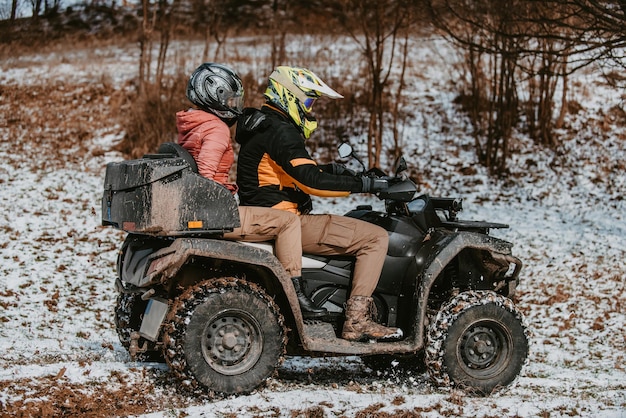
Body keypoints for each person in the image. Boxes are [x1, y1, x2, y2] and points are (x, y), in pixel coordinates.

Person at [235, 66, 402, 342]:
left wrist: (334, 170)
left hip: (266, 214)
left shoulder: (262, 124)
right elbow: (312, 182)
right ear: (290, 95)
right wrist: (365, 186)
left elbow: (289, 172)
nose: (310, 109)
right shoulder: (281, 130)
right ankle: (357, 320)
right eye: (309, 101)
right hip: (285, 220)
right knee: (374, 237)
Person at [176, 62, 327, 319]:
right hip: (215, 214)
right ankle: (295, 291)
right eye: (231, 100)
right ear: (215, 98)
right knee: (289, 222)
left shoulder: (193, 124)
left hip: (199, 210)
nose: (235, 106)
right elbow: (205, 176)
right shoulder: (217, 130)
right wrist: (223, 197)